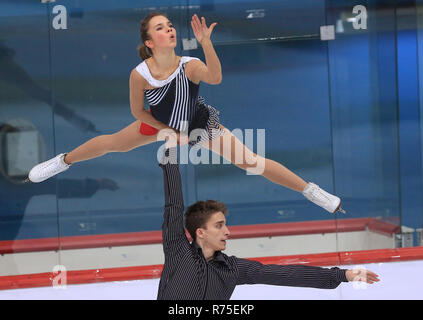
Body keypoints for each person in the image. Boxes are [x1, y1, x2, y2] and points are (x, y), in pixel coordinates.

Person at [28, 12, 344, 214]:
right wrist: (164, 131)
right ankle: (62, 161)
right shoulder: (140, 73)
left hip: (198, 124)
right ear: (149, 41)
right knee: (112, 142)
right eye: (160, 28)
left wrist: (207, 43)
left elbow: (216, 77)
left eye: (169, 25)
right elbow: (137, 110)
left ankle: (311, 191)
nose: (169, 30)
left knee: (251, 161)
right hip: (156, 124)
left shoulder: (188, 65)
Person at [157, 148, 379, 300]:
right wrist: (170, 155)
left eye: (225, 224)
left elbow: (285, 275)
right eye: (219, 225)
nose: (228, 231)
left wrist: (343, 275)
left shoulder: (232, 268)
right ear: (200, 232)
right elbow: (174, 205)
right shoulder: (178, 251)